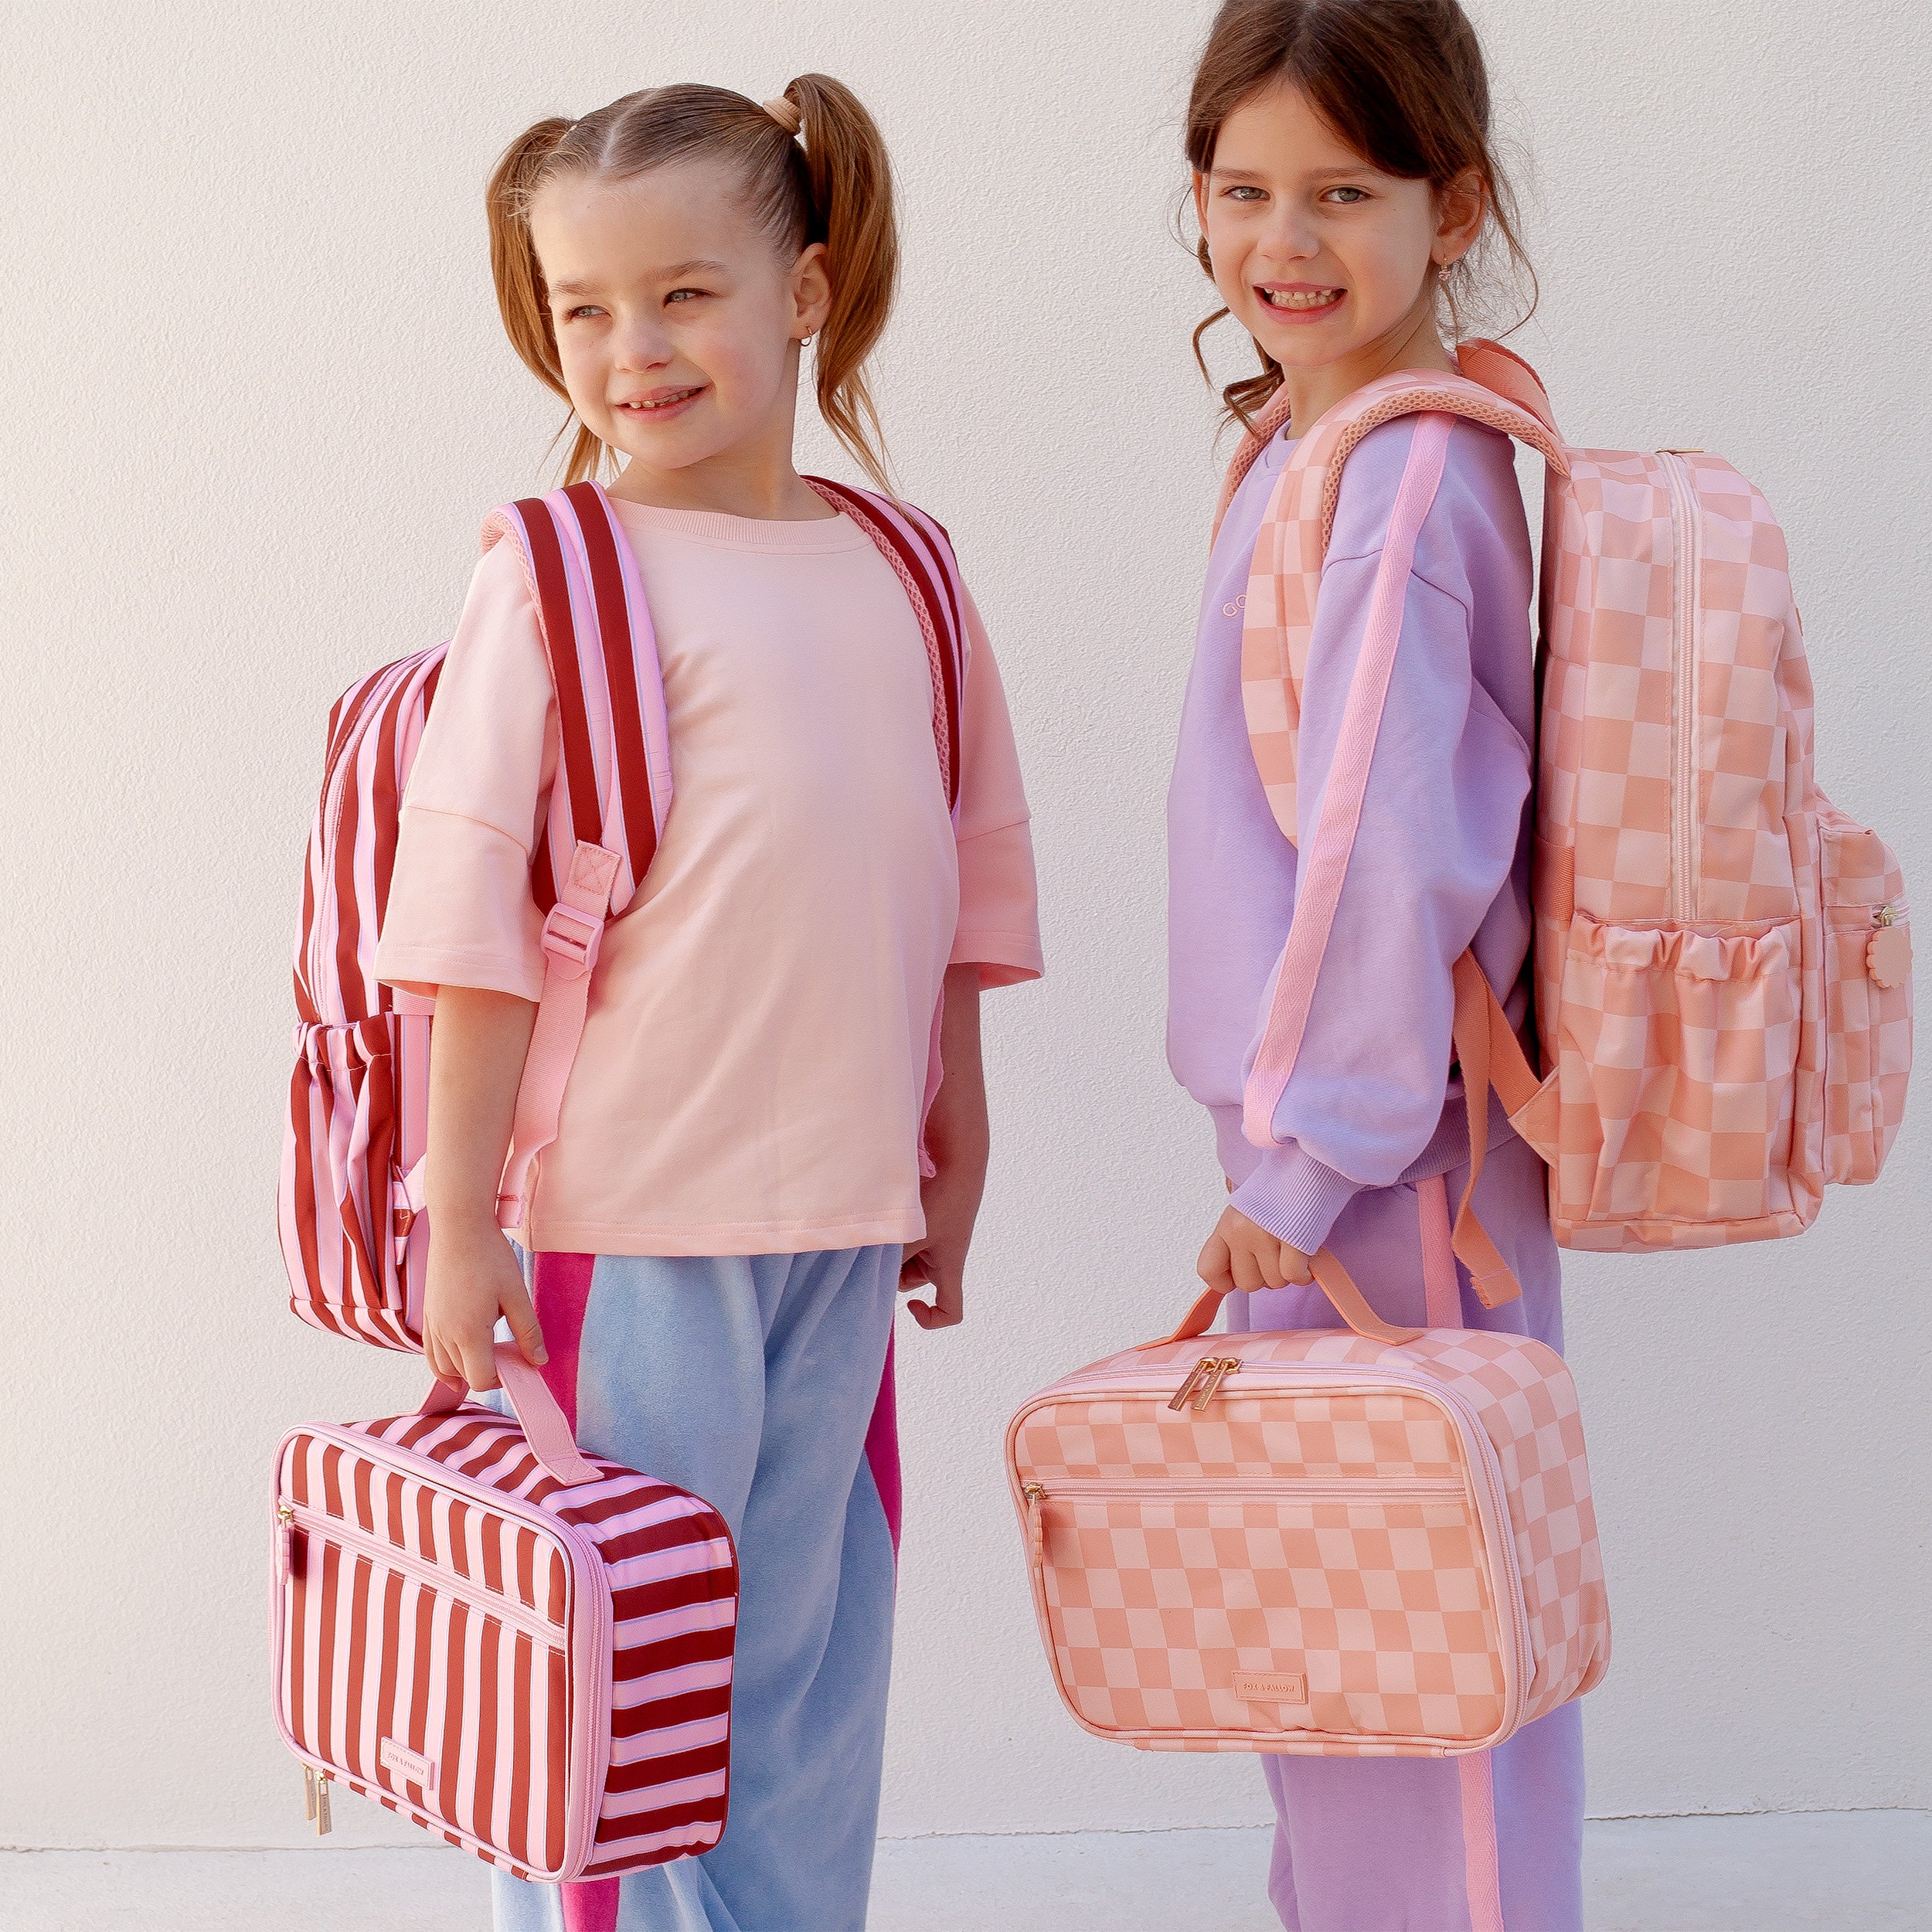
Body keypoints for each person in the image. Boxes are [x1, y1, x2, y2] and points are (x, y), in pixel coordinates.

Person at [374, 77, 1042, 1932]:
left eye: (681, 293)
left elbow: (950, 880)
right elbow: (468, 926)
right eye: (579, 308)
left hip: (837, 1210)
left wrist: (953, 1137)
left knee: (809, 1677)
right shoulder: (559, 568)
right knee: (617, 1696)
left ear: (807, 289)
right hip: (625, 1226)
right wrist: (456, 1221)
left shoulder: (902, 566)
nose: (627, 349)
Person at [1165, 4, 1583, 1927]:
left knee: (1419, 1672)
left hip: (1380, 1169)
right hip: (1357, 1157)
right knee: (1346, 1652)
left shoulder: (1401, 480)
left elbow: (1381, 850)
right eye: (1241, 190)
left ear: (1453, 203)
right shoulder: (1322, 445)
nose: (1285, 240)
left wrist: (1305, 1159)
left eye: (1344, 190)